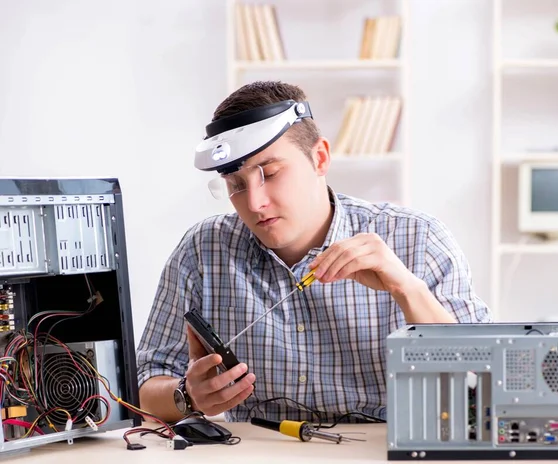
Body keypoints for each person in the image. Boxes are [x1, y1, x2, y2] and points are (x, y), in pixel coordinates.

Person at [136, 80, 492, 424]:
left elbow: (484, 388)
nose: (255, 203)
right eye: (236, 185)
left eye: (270, 174)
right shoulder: (203, 250)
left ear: (320, 158)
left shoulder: (417, 239)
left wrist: (408, 290)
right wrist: (187, 395)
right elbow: (144, 383)